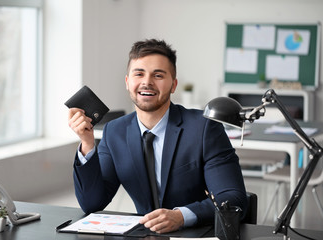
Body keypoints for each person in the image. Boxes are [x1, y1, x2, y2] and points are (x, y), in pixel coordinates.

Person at [68, 39, 247, 234]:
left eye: (158, 75)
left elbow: (233, 200)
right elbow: (92, 204)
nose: (147, 82)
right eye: (139, 73)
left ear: (173, 84)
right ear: (128, 82)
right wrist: (87, 143)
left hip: (197, 233)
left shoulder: (204, 128)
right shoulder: (114, 132)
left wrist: (181, 216)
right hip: (147, 234)